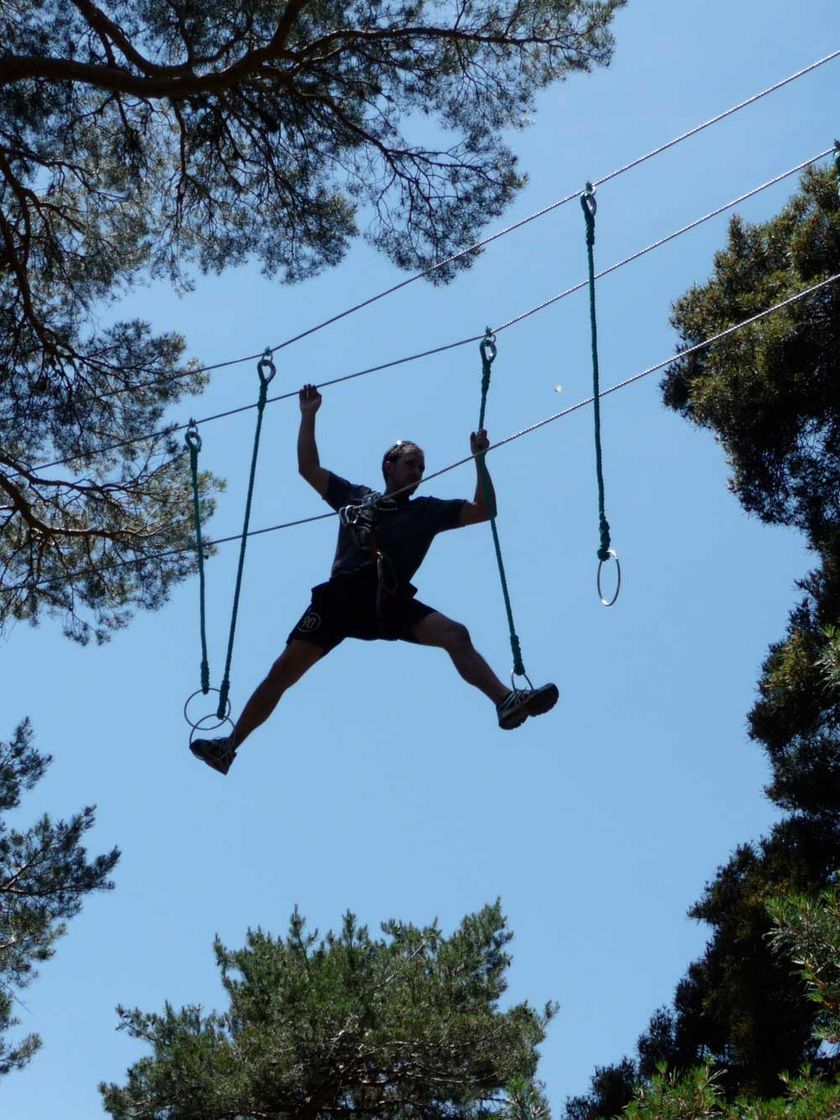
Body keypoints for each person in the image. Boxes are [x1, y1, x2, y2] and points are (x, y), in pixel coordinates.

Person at [190, 384, 558, 774]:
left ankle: (504, 700)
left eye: (421, 467)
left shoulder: (427, 511)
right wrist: (308, 415)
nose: (417, 472)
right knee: (282, 673)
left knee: (456, 634)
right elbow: (308, 469)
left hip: (387, 602)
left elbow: (484, 510)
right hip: (342, 599)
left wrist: (480, 461)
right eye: (410, 464)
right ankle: (228, 748)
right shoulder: (355, 497)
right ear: (389, 466)